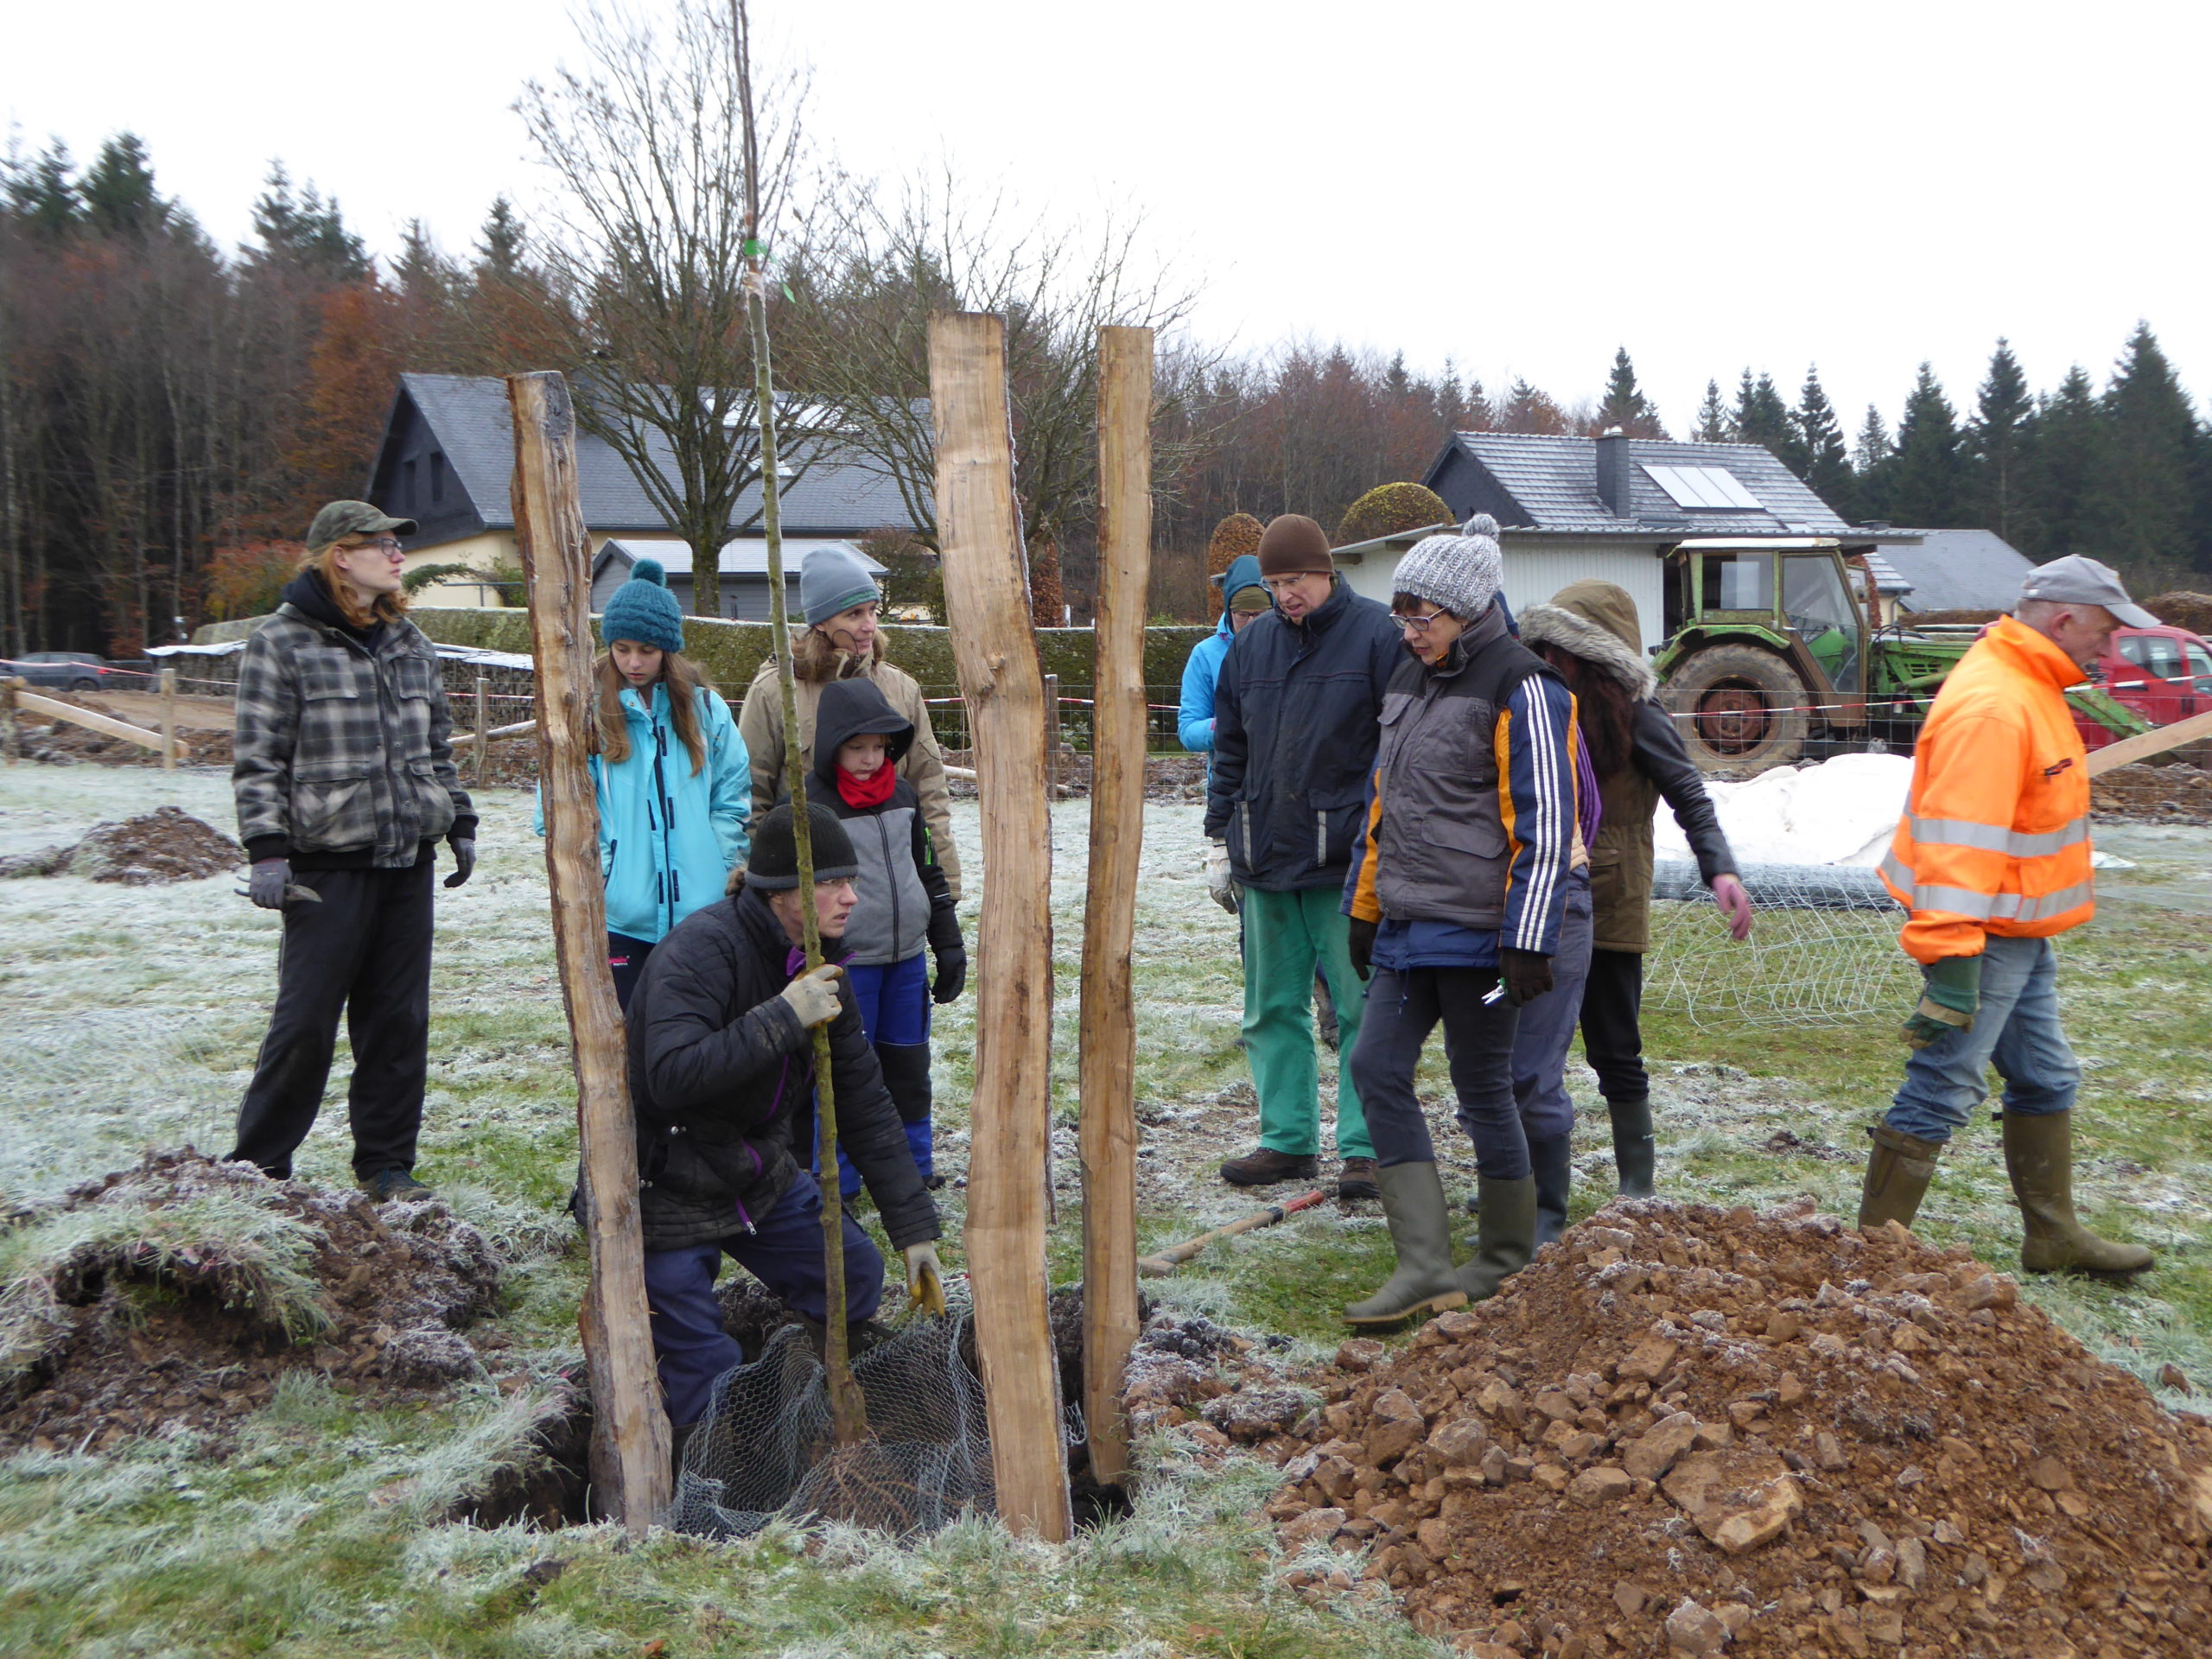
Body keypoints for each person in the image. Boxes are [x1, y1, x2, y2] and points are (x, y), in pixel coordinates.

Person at [1857, 556, 2153, 1279]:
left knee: (2047, 1079)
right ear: (2064, 620)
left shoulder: (2031, 684)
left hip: (2016, 930)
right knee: (1941, 1088)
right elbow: (1961, 843)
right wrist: (1953, 963)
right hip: (1980, 937)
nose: (2108, 649)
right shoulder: (1997, 704)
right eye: (2105, 632)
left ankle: (2052, 1237)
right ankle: (1868, 1263)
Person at [629, 802, 944, 1447]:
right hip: (667, 1182)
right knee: (705, 1367)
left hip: (756, 1174)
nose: (851, 897)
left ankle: (821, 1399)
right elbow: (670, 1075)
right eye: (831, 882)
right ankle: (713, 1470)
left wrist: (914, 1231)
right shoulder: (700, 953)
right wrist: (781, 1018)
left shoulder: (820, 964)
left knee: (854, 1275)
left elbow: (863, 1102)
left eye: (850, 880)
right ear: (779, 891)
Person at [1338, 516, 1580, 1325]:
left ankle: (1505, 1258)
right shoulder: (1410, 680)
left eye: (1423, 618)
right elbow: (1385, 806)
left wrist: (1527, 936)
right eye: (1401, 617)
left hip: (1482, 937)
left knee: (1484, 1089)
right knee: (1375, 1067)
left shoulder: (1527, 686)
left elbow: (1546, 824)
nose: (1408, 633)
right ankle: (1424, 1266)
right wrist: (1364, 909)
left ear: (1469, 611)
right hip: (1407, 930)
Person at [227, 500, 475, 1201]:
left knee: (398, 1021)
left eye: (398, 545)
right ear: (341, 555)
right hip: (324, 867)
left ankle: (387, 1165)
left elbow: (437, 748)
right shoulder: (281, 643)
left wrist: (458, 820)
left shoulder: (410, 641)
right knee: (304, 1023)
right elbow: (257, 758)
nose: (397, 556)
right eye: (383, 545)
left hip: (406, 862)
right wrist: (266, 851)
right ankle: (260, 1166)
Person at [1514, 582, 1751, 1236]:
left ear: (1591, 657)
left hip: (1611, 904)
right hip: (1535, 903)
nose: (1543, 658)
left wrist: (1720, 868)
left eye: (1557, 648)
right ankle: (1522, 1181)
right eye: (1539, 645)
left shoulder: (1639, 717)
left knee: (1614, 1047)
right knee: (1528, 1052)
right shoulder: (1533, 707)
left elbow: (1689, 795)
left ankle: (1635, 1186)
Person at [1206, 513, 1403, 1202]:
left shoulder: (1379, 636)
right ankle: (1287, 1141)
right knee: (1270, 1009)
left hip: (1344, 864)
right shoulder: (1250, 647)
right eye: (1275, 582)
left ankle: (1365, 1148)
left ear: (1326, 572)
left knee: (1360, 1010)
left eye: (1296, 580)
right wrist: (1218, 835)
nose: (1286, 594)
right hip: (1263, 856)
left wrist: (1384, 844)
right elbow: (1230, 747)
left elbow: (1396, 753)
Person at [802, 677, 965, 1193]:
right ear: (833, 745)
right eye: (857, 747)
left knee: (910, 1066)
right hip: (849, 964)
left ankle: (914, 1168)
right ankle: (840, 1179)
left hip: (907, 960)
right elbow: (802, 892)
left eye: (880, 746)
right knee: (849, 1071)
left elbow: (927, 870)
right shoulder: (813, 807)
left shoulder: (904, 795)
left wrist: (949, 941)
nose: (871, 758)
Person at [572, 558, 752, 1010]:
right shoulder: (587, 715)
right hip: (623, 918)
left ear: (669, 649)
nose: (634, 662)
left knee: (698, 1032)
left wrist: (718, 858)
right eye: (622, 648)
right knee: (634, 1040)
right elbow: (562, 809)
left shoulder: (708, 712)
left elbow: (732, 795)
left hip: (702, 913)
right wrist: (606, 872)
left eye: (648, 650)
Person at [738, 544, 962, 906]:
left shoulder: (901, 689)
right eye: (854, 614)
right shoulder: (776, 691)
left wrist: (944, 884)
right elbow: (751, 795)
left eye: (872, 611)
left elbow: (929, 788)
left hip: (894, 890)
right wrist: (767, 888)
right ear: (821, 622)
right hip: (813, 892)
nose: (869, 625)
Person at [1185, 551, 1342, 1046]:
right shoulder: (1209, 655)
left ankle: (1333, 1015)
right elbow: (1189, 728)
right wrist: (1236, 726)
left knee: (1322, 922)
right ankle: (1266, 1017)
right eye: (1242, 611)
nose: (1251, 619)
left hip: (1307, 811)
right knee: (1257, 929)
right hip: (1244, 808)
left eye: (1259, 607)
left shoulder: (1307, 640)